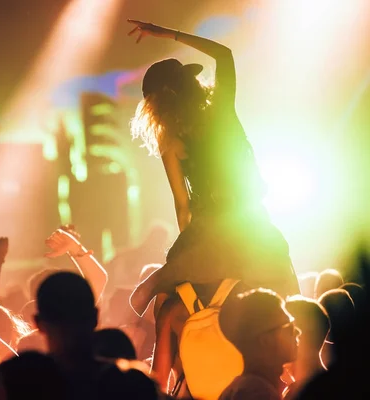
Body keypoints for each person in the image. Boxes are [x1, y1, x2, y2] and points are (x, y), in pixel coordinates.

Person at [126, 20, 299, 317]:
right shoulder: (221, 110)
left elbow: (182, 205)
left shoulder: (172, 141)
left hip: (210, 229)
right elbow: (224, 55)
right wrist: (170, 33)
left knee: (158, 296)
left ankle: (156, 295)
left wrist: (190, 246)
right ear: (190, 84)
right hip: (251, 223)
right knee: (290, 300)